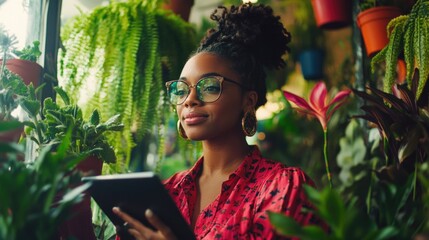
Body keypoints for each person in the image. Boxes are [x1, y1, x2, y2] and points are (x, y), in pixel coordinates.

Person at [113, 3, 321, 239]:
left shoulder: (282, 188)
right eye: (181, 90)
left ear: (248, 100)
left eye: (210, 87)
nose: (190, 99)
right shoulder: (167, 194)